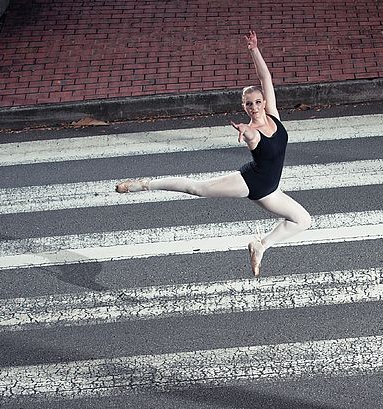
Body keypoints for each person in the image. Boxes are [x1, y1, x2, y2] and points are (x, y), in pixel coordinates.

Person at [115, 31, 312, 277]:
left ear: (263, 102)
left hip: (271, 191)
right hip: (251, 183)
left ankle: (260, 245)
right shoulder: (253, 132)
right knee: (196, 188)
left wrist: (254, 50)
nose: (254, 107)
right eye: (248, 104)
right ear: (244, 107)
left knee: (303, 220)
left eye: (257, 102)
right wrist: (244, 131)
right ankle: (143, 185)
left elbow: (266, 77)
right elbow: (251, 137)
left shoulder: (274, 115)